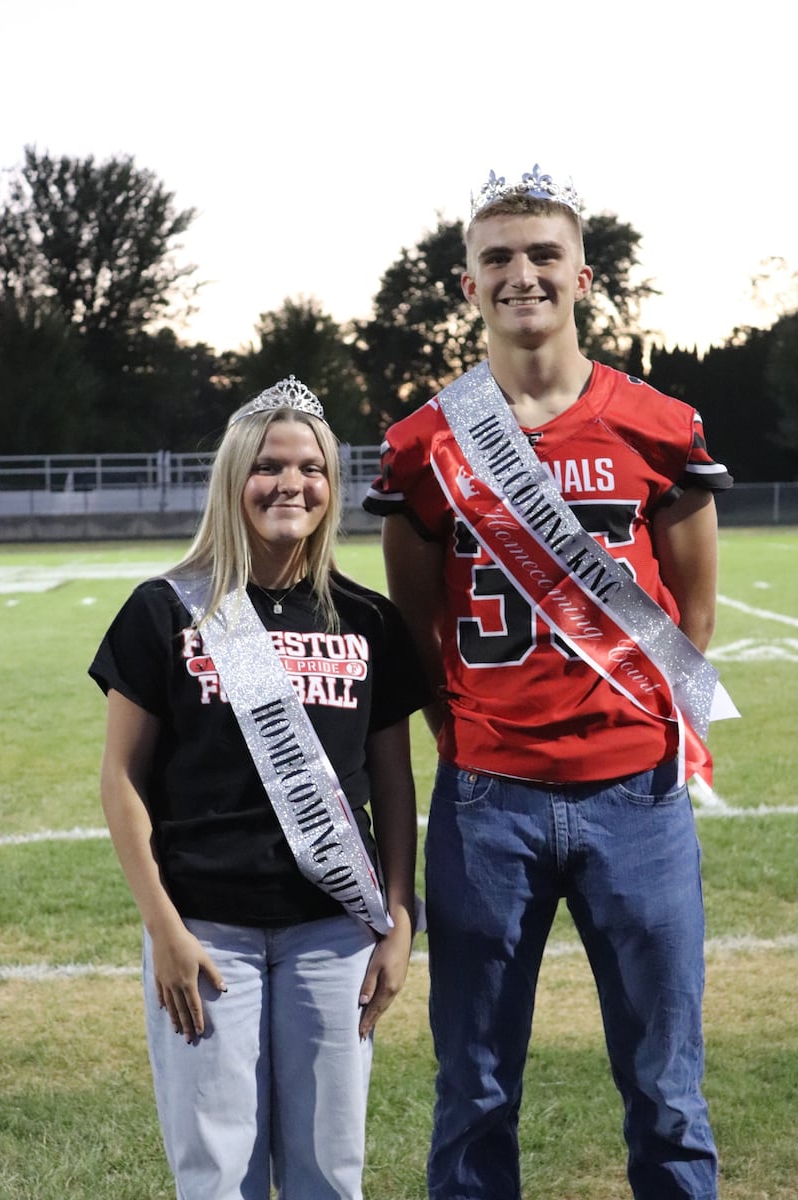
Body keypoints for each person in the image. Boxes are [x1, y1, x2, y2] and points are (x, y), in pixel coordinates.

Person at [363, 166, 735, 1199]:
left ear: (581, 275)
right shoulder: (427, 440)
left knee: (665, 1089)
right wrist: (473, 735)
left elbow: (689, 619)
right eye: (496, 258)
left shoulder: (656, 422)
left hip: (636, 796)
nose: (519, 274)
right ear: (467, 282)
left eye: (539, 255)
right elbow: (415, 625)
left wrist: (644, 722)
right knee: (473, 1089)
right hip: (489, 799)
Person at [90, 376, 430, 1200]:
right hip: (207, 932)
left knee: (329, 1172)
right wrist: (164, 930)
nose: (291, 484)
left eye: (311, 467)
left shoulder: (368, 619)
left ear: (331, 484)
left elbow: (392, 786)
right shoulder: (168, 610)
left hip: (335, 932)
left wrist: (400, 917)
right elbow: (120, 781)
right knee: (216, 1175)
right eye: (269, 466)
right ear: (235, 478)